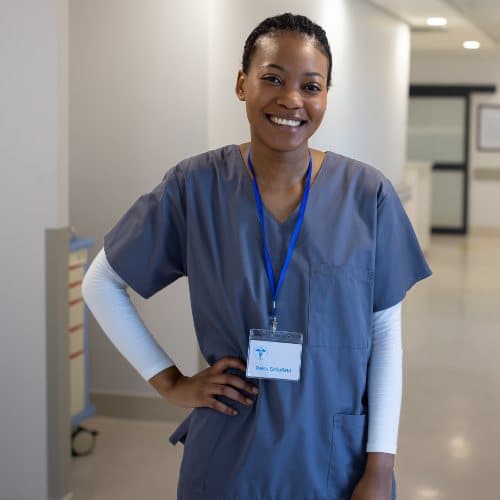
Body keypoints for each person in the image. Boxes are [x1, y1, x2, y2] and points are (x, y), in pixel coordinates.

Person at [82, 12, 432, 500]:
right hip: (229, 455)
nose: (292, 99)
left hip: (333, 459)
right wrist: (170, 382)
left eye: (312, 86)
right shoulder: (194, 188)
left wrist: (379, 465)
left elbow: (385, 334)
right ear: (241, 83)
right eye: (272, 78)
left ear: (326, 96)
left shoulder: (367, 196)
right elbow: (100, 282)